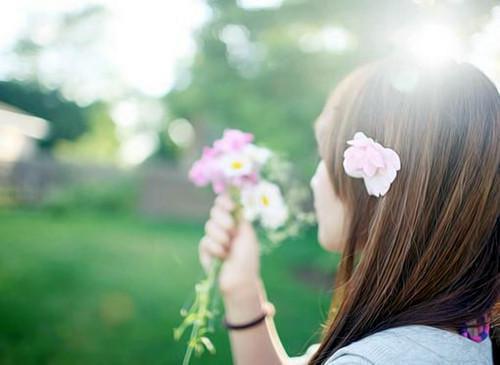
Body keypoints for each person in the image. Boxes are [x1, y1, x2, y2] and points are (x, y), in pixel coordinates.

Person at [198, 55, 499, 364]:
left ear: (377, 180)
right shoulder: (458, 331)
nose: (316, 180)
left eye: (325, 150)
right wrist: (242, 290)